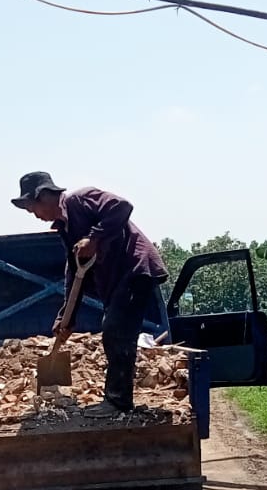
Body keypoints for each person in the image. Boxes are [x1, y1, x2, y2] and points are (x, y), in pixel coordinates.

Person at [12, 171, 168, 418]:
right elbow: (75, 271)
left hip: (135, 269)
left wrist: (93, 238)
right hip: (115, 282)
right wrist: (67, 318)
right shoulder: (65, 228)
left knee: (116, 330)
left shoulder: (80, 199)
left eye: (34, 210)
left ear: (43, 196)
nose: (37, 216)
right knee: (115, 328)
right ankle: (118, 399)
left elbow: (122, 206)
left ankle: (118, 401)